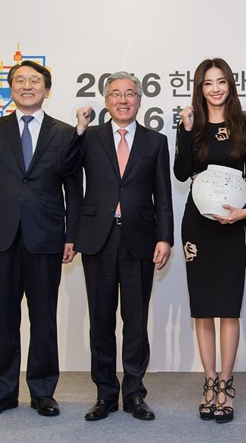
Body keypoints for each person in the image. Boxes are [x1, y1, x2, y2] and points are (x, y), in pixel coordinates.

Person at [0, 60, 84, 418]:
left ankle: (43, 392)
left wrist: (72, 235)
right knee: (4, 317)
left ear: (47, 90)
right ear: (11, 89)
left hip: (46, 236)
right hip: (0, 236)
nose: (27, 86)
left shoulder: (64, 132)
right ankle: (3, 392)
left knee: (44, 317)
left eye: (34, 81)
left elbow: (74, 188)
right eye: (20, 80)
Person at [73, 72, 174, 422]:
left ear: (140, 101)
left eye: (130, 93)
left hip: (139, 239)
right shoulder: (90, 137)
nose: (123, 99)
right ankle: (104, 394)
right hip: (97, 238)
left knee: (135, 320)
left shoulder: (155, 141)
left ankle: (133, 393)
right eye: (116, 94)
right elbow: (65, 169)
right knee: (101, 320)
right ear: (106, 101)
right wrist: (79, 130)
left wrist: (165, 237)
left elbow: (163, 193)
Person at [173, 58, 246, 424]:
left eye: (221, 82)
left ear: (230, 85)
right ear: (200, 88)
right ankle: (209, 381)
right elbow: (181, 173)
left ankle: (226, 383)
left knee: (229, 306)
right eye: (208, 83)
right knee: (204, 305)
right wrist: (184, 131)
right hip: (198, 225)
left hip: (234, 224)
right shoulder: (191, 125)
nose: (215, 89)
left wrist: (245, 210)